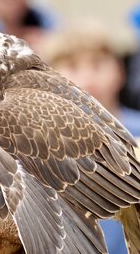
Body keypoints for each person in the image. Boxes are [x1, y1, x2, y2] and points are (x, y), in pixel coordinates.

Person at [43, 20, 140, 254]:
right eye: (73, 66)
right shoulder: (42, 143)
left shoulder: (137, 130)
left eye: (97, 64)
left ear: (120, 71)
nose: (87, 77)